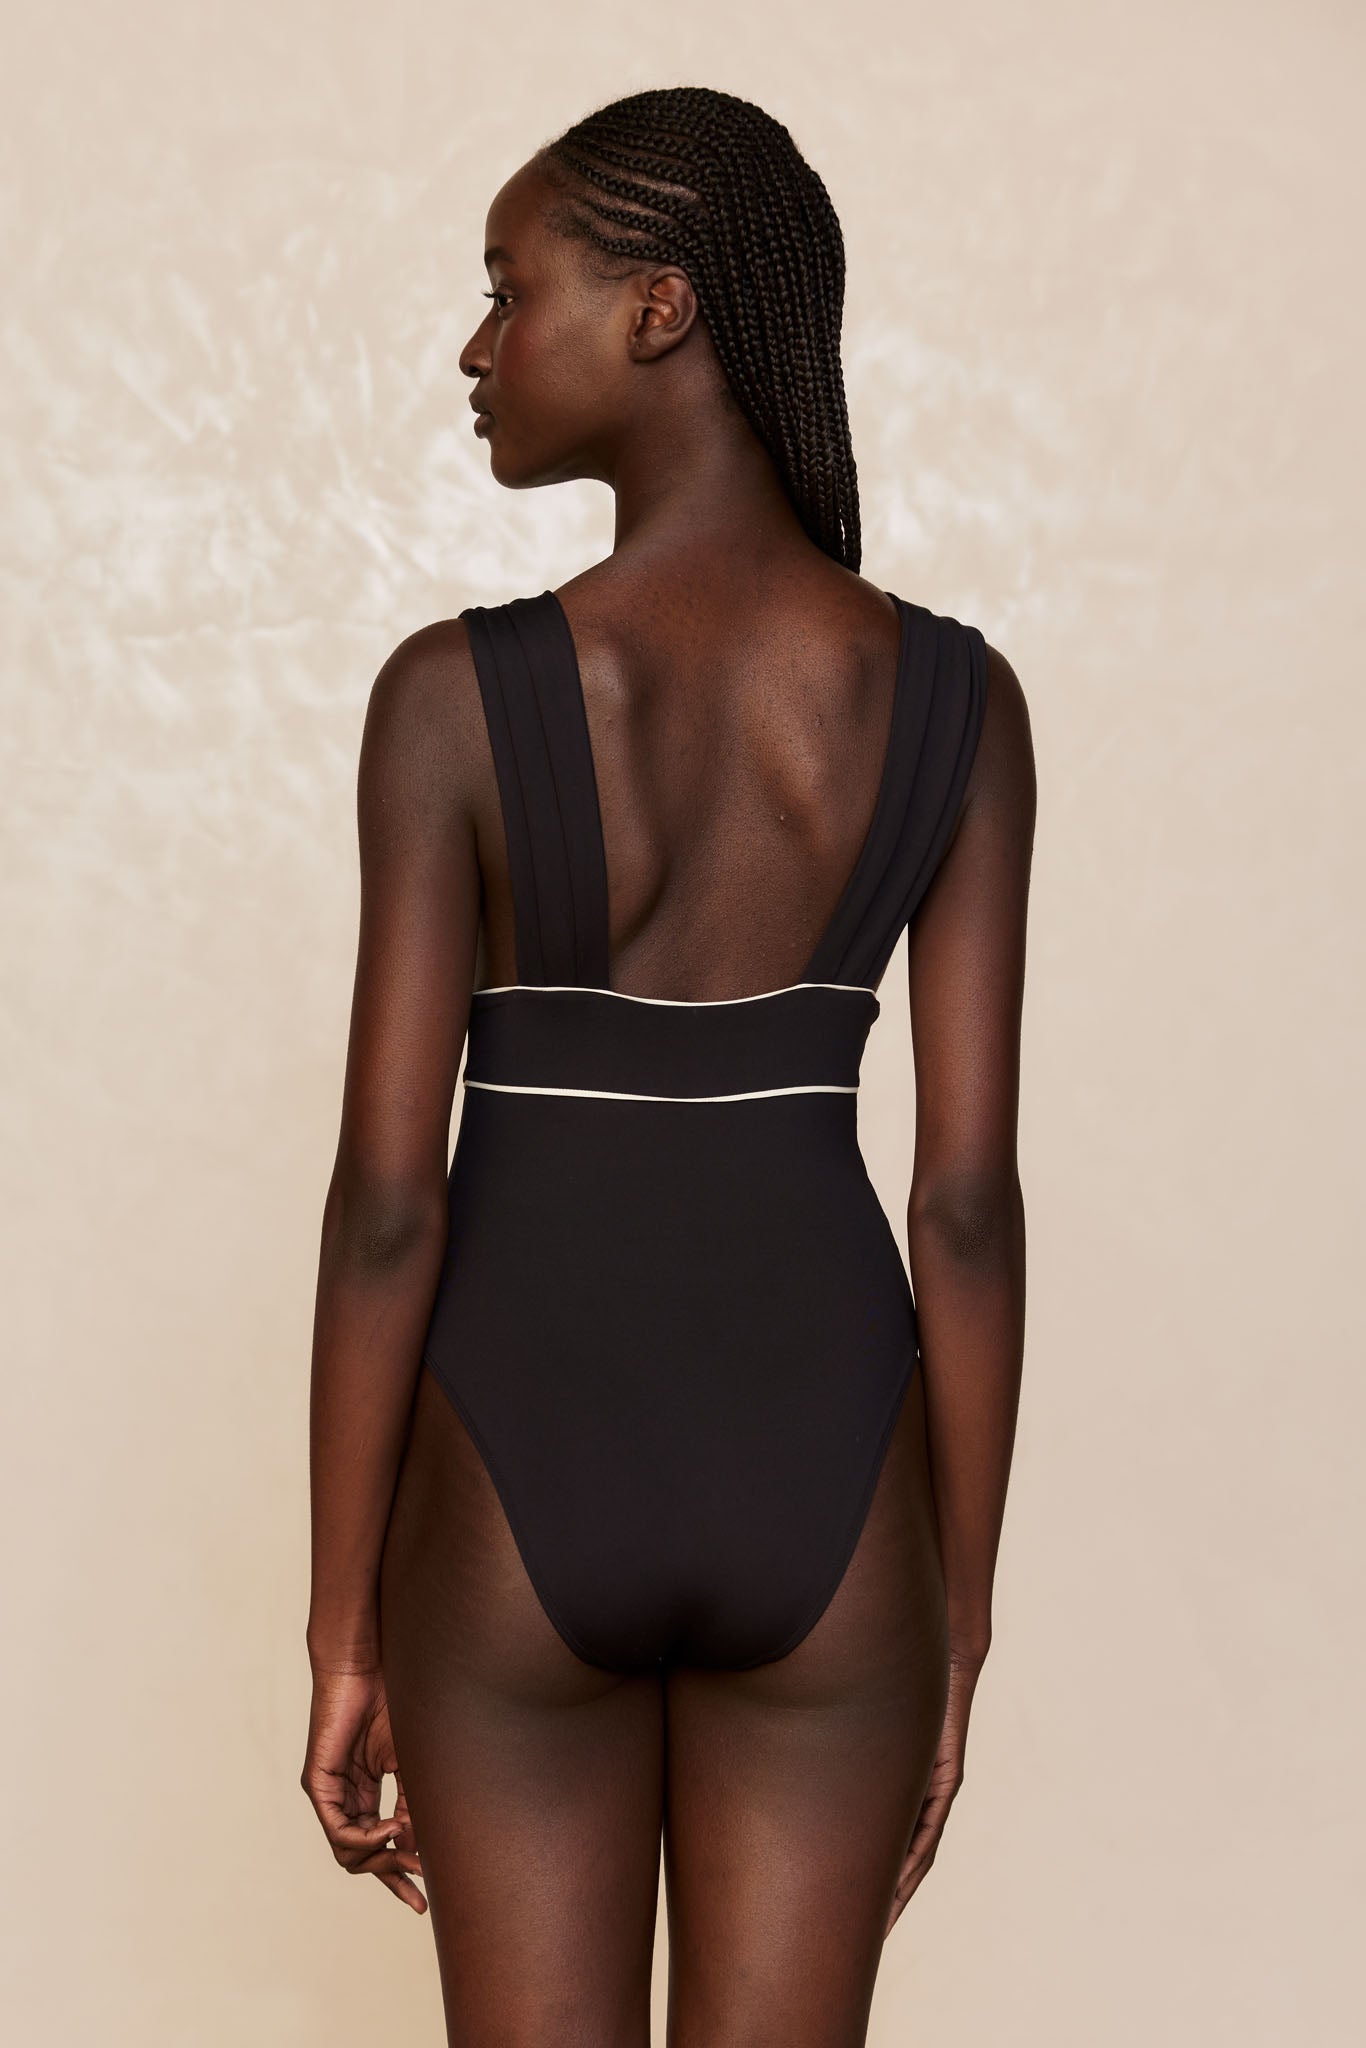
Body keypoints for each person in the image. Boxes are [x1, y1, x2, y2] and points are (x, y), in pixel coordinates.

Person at [301, 84, 1035, 2046]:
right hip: (834, 1501)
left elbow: (388, 1208)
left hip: (510, 1485)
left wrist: (342, 1627)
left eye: (505, 288)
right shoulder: (956, 706)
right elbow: (964, 1206)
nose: (475, 347)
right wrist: (956, 1622)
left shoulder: (448, 704)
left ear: (657, 308)